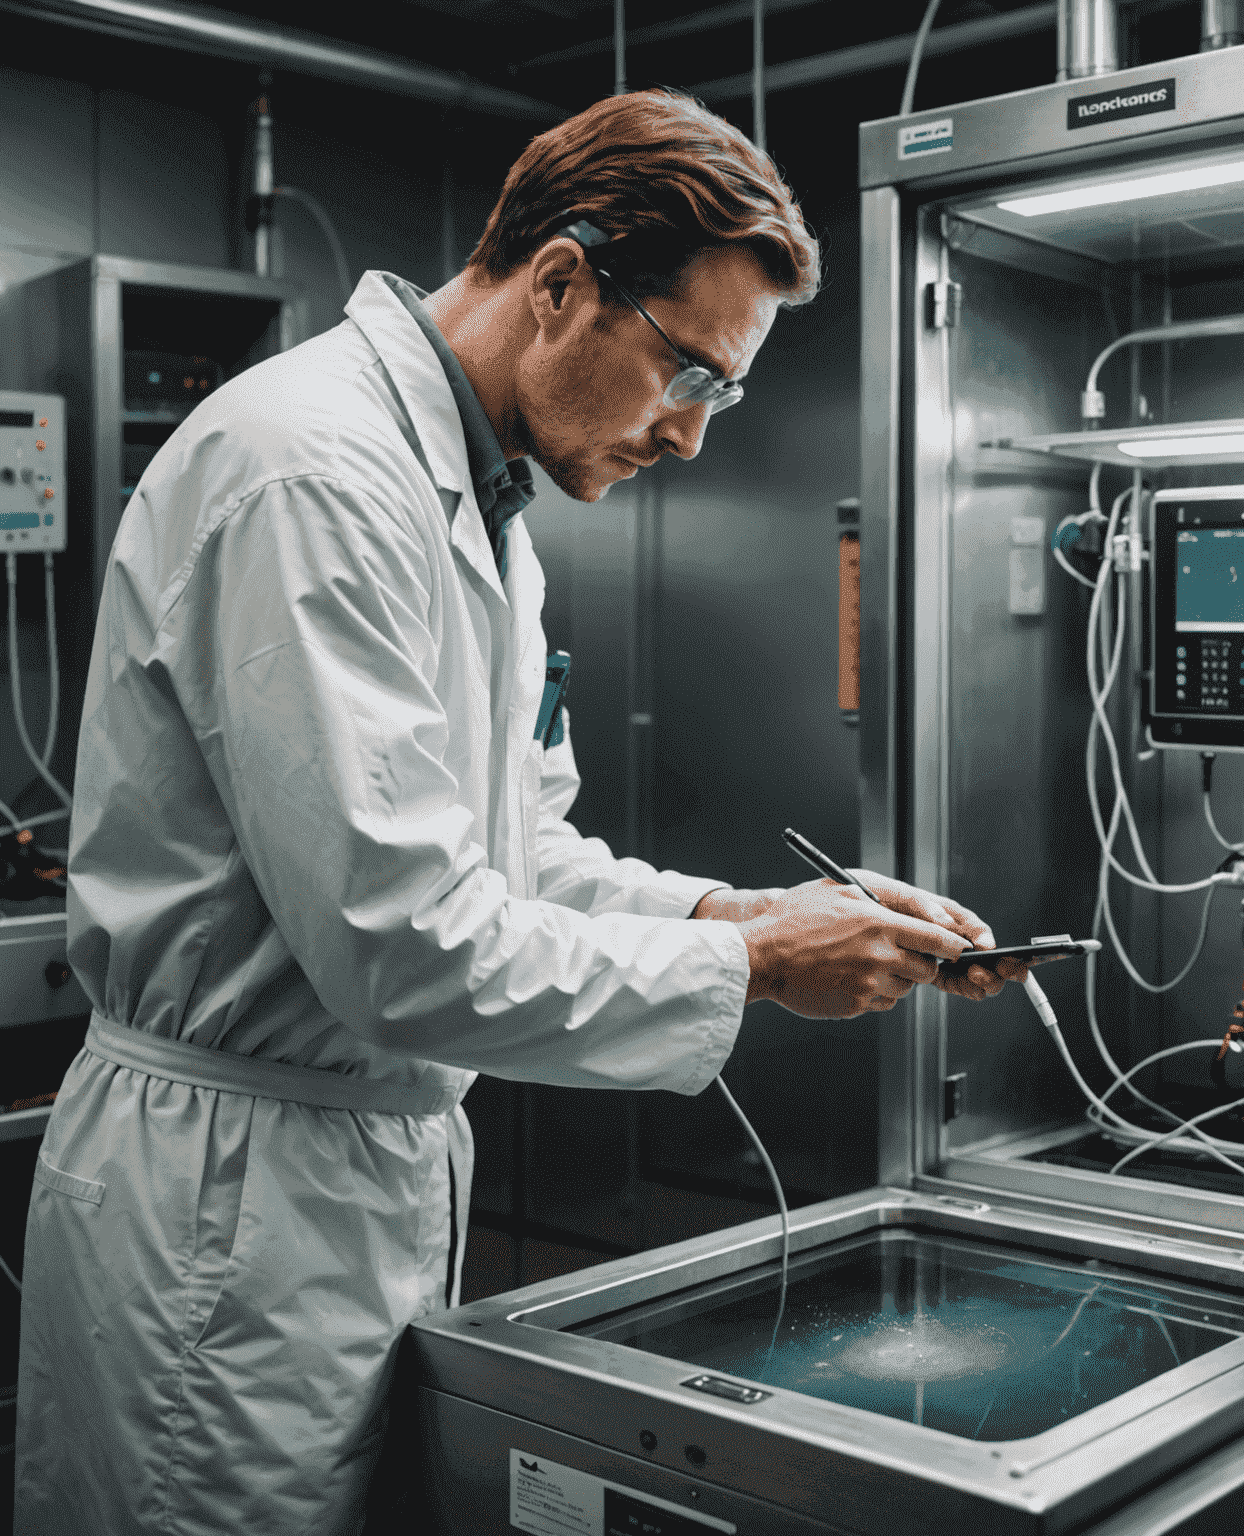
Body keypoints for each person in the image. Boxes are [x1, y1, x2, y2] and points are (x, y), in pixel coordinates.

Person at [14, 88, 1024, 1534]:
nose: (690, 439)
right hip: (225, 1214)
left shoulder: (483, 509)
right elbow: (404, 943)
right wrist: (751, 965)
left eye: (722, 397)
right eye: (691, 375)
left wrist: (736, 912)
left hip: (353, 1183)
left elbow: (515, 859)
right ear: (560, 281)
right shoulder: (312, 474)